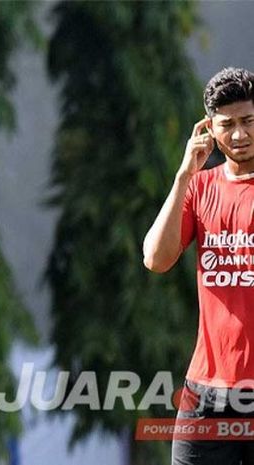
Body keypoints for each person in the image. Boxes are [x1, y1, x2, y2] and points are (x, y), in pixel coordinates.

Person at [144, 67, 254, 464]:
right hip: (206, 392)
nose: (239, 135)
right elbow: (156, 259)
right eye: (228, 124)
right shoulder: (199, 187)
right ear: (209, 127)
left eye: (249, 121)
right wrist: (182, 176)